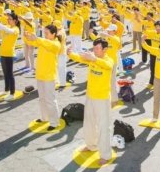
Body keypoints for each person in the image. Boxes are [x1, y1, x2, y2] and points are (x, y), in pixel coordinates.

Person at [67, 38, 114, 166]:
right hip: (90, 96)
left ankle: (105, 154)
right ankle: (91, 145)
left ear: (105, 49)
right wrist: (70, 53)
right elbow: (80, 58)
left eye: (97, 48)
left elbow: (108, 66)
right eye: (94, 48)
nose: (94, 50)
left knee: (104, 127)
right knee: (89, 123)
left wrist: (94, 58)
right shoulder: (92, 58)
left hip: (102, 99)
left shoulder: (108, 60)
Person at [25, 25, 61, 131]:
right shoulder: (43, 41)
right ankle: (45, 118)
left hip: (49, 76)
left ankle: (54, 122)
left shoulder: (56, 44)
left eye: (47, 33)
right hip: (40, 74)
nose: (45, 35)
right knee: (42, 99)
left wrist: (37, 38)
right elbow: (31, 42)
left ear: (53, 34)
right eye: (44, 33)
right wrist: (26, 36)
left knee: (50, 100)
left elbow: (46, 44)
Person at [0, 13, 20, 101]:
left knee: (10, 74)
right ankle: (6, 89)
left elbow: (7, 30)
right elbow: (0, 27)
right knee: (5, 73)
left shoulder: (15, 29)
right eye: (8, 19)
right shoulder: (8, 26)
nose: (8, 20)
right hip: (2, 52)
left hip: (9, 53)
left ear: (15, 21)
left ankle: (12, 92)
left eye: (10, 19)